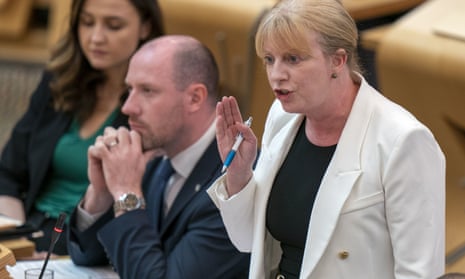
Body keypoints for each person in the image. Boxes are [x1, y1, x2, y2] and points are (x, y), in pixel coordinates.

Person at [207, 0, 446, 278]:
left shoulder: (404, 140)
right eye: (269, 60)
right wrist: (239, 174)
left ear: (338, 60)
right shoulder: (281, 116)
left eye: (293, 59)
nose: (276, 75)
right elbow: (247, 241)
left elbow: (419, 272)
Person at [67, 35, 250, 279]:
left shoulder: (233, 184)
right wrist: (100, 195)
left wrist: (125, 193)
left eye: (147, 91)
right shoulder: (155, 157)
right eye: (130, 90)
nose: (127, 107)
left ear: (194, 98)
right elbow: (86, 257)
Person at [0, 0, 164, 256]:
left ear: (145, 27)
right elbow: (8, 173)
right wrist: (17, 240)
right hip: (28, 232)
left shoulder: (154, 105)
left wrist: (60, 251)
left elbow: (140, 205)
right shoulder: (59, 82)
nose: (96, 37)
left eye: (113, 25)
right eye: (87, 23)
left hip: (89, 248)